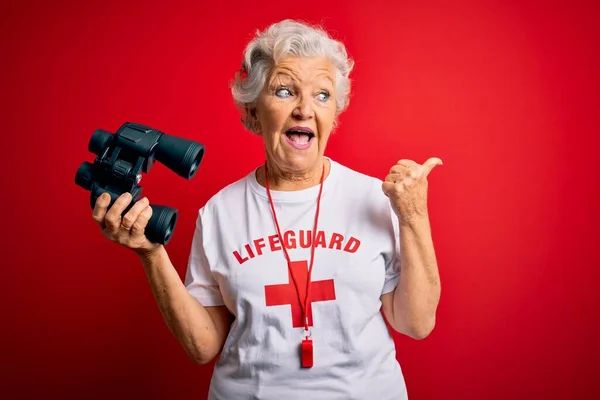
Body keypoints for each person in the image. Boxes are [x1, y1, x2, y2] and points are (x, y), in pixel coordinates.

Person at [91, 19, 442, 400]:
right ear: (254, 112)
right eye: (285, 91)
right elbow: (203, 345)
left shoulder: (376, 198)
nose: (305, 110)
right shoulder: (219, 214)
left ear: (334, 114)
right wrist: (151, 253)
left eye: (322, 95)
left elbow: (417, 322)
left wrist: (414, 215)